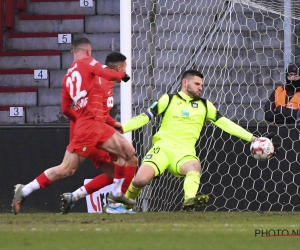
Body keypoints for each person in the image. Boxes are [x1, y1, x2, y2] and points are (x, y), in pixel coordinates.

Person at [122, 69, 279, 211]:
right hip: (163, 148)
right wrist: (121, 129)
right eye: (197, 84)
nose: (200, 87)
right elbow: (144, 118)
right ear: (185, 82)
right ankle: (125, 204)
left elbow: (226, 124)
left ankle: (189, 199)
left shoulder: (205, 105)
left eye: (201, 85)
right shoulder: (168, 99)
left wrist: (252, 138)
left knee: (195, 166)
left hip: (184, 153)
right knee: (141, 180)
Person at [12, 37, 136, 215]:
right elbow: (109, 74)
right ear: (89, 51)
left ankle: (115, 195)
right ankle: (25, 190)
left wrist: (87, 119)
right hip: (89, 127)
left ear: (72, 53)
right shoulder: (89, 64)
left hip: (94, 124)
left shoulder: (67, 77)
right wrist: (122, 75)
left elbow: (65, 109)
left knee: (129, 153)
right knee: (66, 169)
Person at [60, 52, 137, 214]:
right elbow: (95, 114)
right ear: (119, 68)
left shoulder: (98, 78)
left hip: (88, 131)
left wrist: (112, 123)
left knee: (116, 171)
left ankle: (74, 196)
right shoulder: (102, 81)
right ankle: (114, 204)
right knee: (126, 162)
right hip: (91, 134)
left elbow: (95, 112)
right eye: (125, 68)